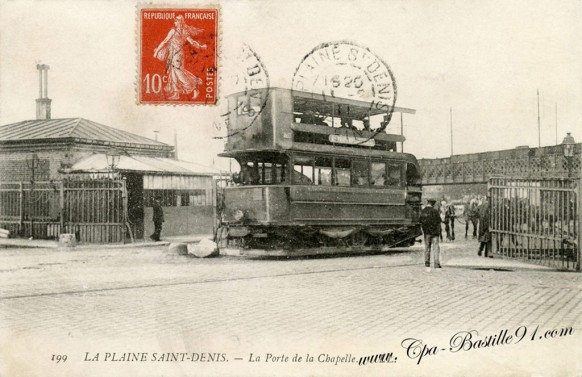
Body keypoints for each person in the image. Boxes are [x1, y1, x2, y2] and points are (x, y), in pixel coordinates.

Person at [154, 15, 207, 100]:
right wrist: (201, 46)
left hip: (177, 54)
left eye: (176, 21)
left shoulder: (176, 31)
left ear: (180, 22)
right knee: (173, 72)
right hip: (175, 53)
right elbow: (165, 41)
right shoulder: (180, 31)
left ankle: (193, 85)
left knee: (178, 72)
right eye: (175, 21)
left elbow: (191, 42)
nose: (175, 22)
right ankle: (176, 93)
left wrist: (201, 46)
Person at [419, 199, 442, 271]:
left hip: (427, 233)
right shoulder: (435, 211)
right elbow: (439, 222)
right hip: (435, 233)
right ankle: (436, 265)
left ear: (428, 203)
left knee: (427, 248)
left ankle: (427, 265)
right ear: (433, 204)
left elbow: (420, 221)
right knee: (436, 249)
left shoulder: (423, 211)